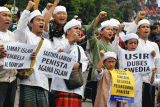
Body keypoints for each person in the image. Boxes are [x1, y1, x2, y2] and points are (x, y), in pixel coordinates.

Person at [16, 1, 53, 107]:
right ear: (31, 23)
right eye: (38, 20)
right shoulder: (26, 36)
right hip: (28, 82)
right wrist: (28, 9)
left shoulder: (47, 42)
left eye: (43, 20)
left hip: (43, 83)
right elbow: (20, 27)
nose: (42, 22)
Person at [112, 23, 156, 107]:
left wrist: (151, 56)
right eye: (131, 43)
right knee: (124, 104)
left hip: (138, 85)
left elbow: (147, 69)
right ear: (125, 44)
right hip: (124, 83)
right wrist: (118, 32)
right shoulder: (122, 53)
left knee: (136, 104)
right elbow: (114, 46)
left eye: (135, 43)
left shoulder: (141, 56)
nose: (133, 45)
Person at [50, 19, 88, 107]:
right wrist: (70, 42)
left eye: (79, 29)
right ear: (68, 31)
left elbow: (85, 62)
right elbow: (58, 57)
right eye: (76, 28)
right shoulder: (58, 43)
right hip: (61, 87)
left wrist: (79, 65)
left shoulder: (79, 48)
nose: (79, 30)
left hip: (76, 87)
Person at [86, 11, 115, 105]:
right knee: (97, 103)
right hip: (97, 79)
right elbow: (89, 31)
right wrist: (98, 17)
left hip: (109, 80)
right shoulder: (96, 43)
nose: (111, 31)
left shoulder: (112, 48)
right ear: (101, 31)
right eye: (108, 29)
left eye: (112, 30)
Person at [0, 6, 17, 107]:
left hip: (12, 79)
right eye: (5, 15)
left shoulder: (12, 35)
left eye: (10, 16)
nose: (8, 18)